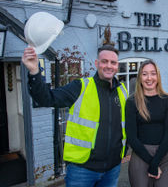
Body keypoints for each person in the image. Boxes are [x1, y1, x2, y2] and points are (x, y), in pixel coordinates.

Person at [22, 44, 128, 187]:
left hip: (112, 169)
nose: (109, 66)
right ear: (97, 63)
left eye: (113, 62)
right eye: (104, 61)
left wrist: (123, 152)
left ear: (117, 66)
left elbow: (126, 126)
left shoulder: (122, 91)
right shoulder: (81, 87)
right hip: (82, 170)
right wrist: (34, 71)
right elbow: (46, 98)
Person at [125, 59, 168, 187]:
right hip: (140, 155)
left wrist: (156, 162)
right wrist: (151, 162)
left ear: (158, 77)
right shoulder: (132, 102)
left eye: (153, 73)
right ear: (139, 78)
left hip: (164, 155)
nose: (149, 78)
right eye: (144, 74)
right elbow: (131, 137)